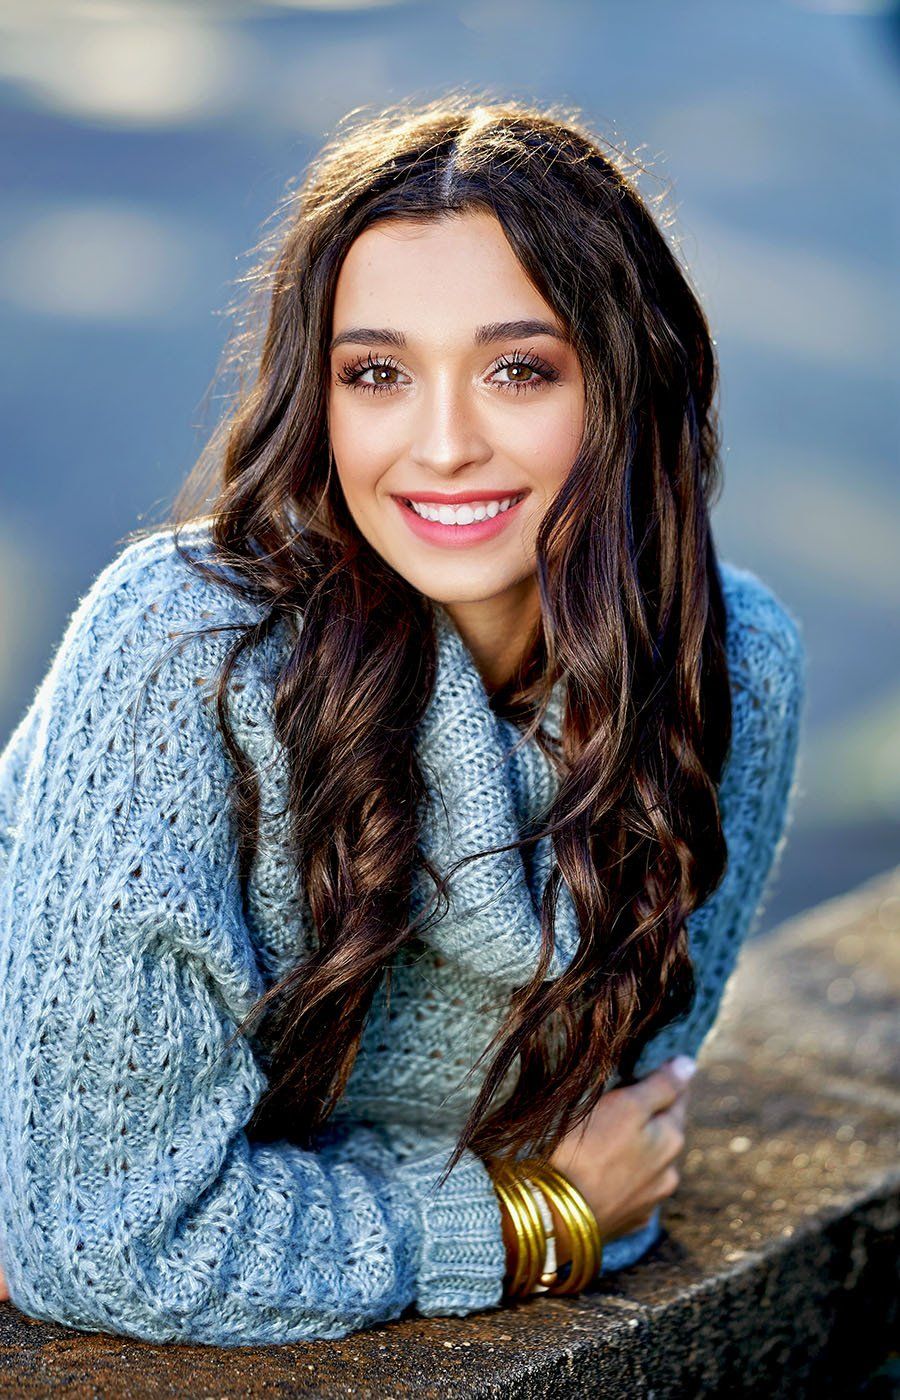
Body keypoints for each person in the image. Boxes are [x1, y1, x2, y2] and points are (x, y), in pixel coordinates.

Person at [0, 94, 805, 1347]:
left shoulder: (731, 664)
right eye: (376, 372)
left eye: (517, 369)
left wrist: (256, 1207)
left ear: (626, 385)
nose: (441, 443)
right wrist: (524, 1220)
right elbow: (116, 1239)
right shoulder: (184, 649)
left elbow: (622, 1158)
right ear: (317, 402)